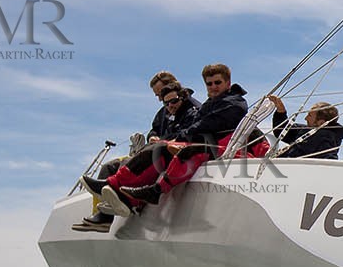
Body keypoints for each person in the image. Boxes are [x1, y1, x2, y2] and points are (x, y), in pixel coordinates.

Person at [79, 64, 267, 219]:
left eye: (217, 82)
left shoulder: (234, 103)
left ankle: (151, 192)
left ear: (228, 83)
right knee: (157, 149)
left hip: (221, 147)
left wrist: (180, 137)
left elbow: (207, 125)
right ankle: (118, 190)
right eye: (209, 84)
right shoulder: (208, 104)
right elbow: (196, 125)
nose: (213, 87)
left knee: (175, 150)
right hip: (203, 143)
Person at [72, 71, 200, 232]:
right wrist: (153, 137)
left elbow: (188, 134)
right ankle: (103, 217)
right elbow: (153, 130)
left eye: (160, 93)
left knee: (128, 162)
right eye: (159, 96)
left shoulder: (192, 109)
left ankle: (124, 200)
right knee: (108, 167)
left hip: (167, 151)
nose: (160, 99)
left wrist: (161, 141)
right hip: (157, 147)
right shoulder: (165, 110)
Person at [266, 95, 343, 159]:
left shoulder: (326, 138)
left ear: (321, 122)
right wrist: (281, 111)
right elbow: (282, 131)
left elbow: (328, 161)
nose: (305, 118)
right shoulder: (307, 131)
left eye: (309, 115)